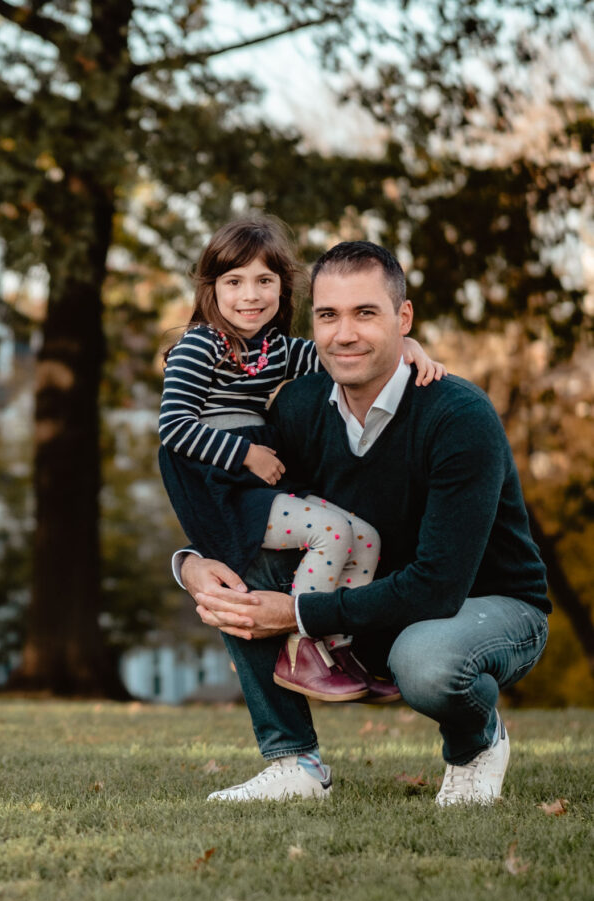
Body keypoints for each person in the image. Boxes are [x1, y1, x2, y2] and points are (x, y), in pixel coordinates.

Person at [180, 240, 551, 806]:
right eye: (328, 315)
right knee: (243, 568)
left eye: (365, 313)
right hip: (370, 608)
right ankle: (295, 763)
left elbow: (438, 585)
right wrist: (192, 565)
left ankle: (477, 744)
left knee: (425, 661)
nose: (344, 334)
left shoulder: (458, 416)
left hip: (484, 609)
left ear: (403, 319)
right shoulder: (300, 405)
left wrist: (300, 613)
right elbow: (251, 508)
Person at [159, 217, 445, 704]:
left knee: (365, 537)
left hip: (253, 481)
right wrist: (245, 454)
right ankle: (302, 652)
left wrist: (407, 346)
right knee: (330, 532)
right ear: (212, 288)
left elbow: (341, 353)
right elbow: (174, 427)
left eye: (264, 281)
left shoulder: (273, 349)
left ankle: (337, 650)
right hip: (220, 483)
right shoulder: (199, 344)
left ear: (281, 287)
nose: (250, 295)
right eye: (234, 282)